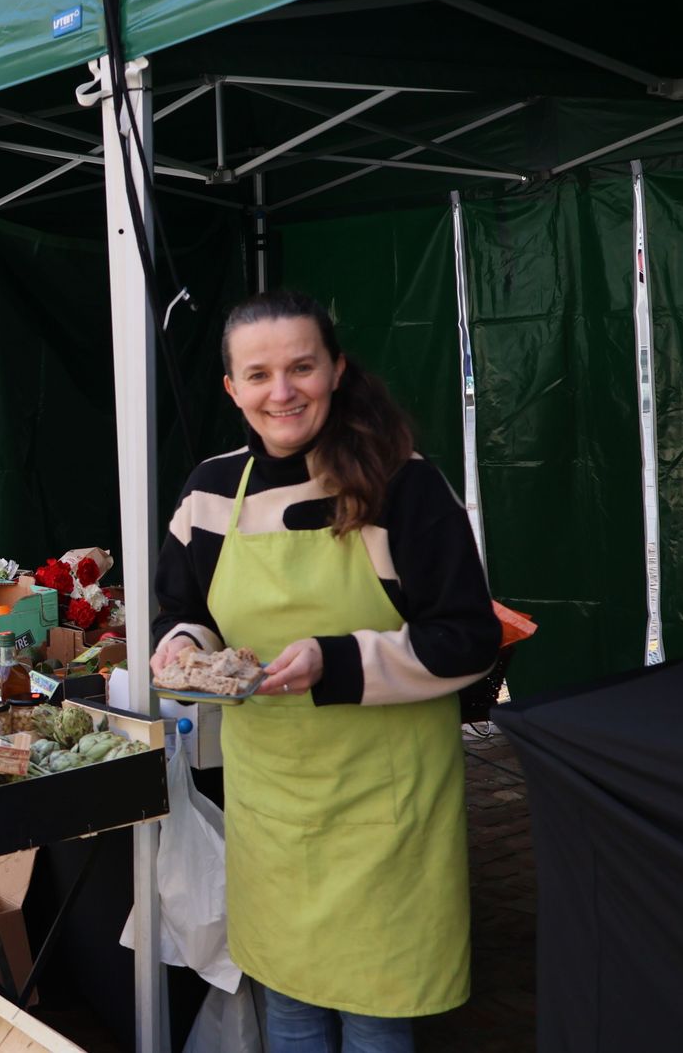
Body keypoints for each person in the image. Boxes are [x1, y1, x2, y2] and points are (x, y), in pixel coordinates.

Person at [150, 291, 500, 1053]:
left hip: (386, 809)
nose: (282, 392)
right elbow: (181, 607)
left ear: (336, 371)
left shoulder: (404, 486)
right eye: (259, 374)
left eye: (301, 368)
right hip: (271, 805)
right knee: (291, 1009)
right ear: (231, 389)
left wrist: (334, 660)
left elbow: (469, 639)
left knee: (375, 1016)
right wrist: (182, 645)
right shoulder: (209, 493)